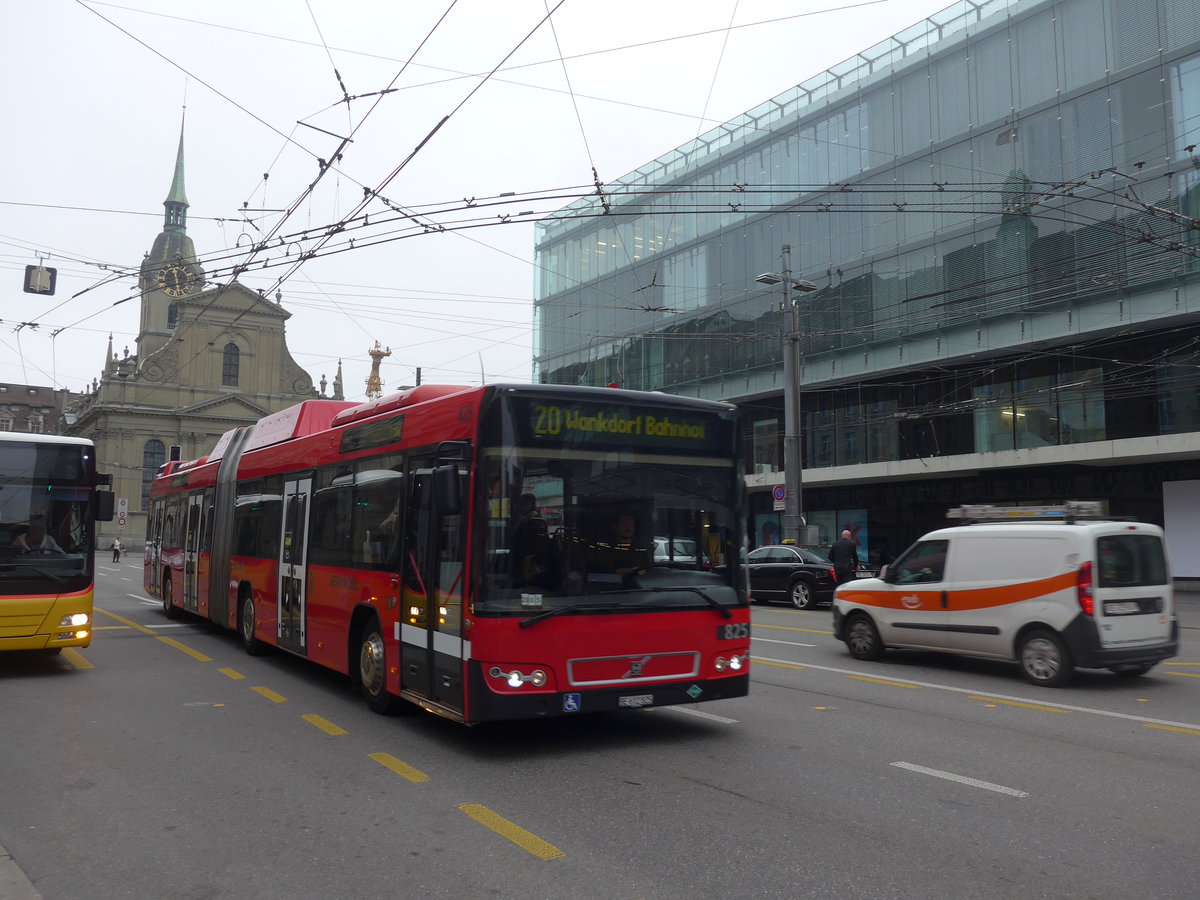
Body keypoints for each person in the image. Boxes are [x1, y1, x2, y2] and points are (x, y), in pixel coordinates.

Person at [587, 511, 653, 581]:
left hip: (637, 588)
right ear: (615, 526)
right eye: (624, 524)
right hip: (609, 588)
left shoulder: (640, 549)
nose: (629, 527)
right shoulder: (604, 548)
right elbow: (595, 572)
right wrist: (616, 572)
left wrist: (641, 572)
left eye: (631, 524)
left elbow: (647, 569)